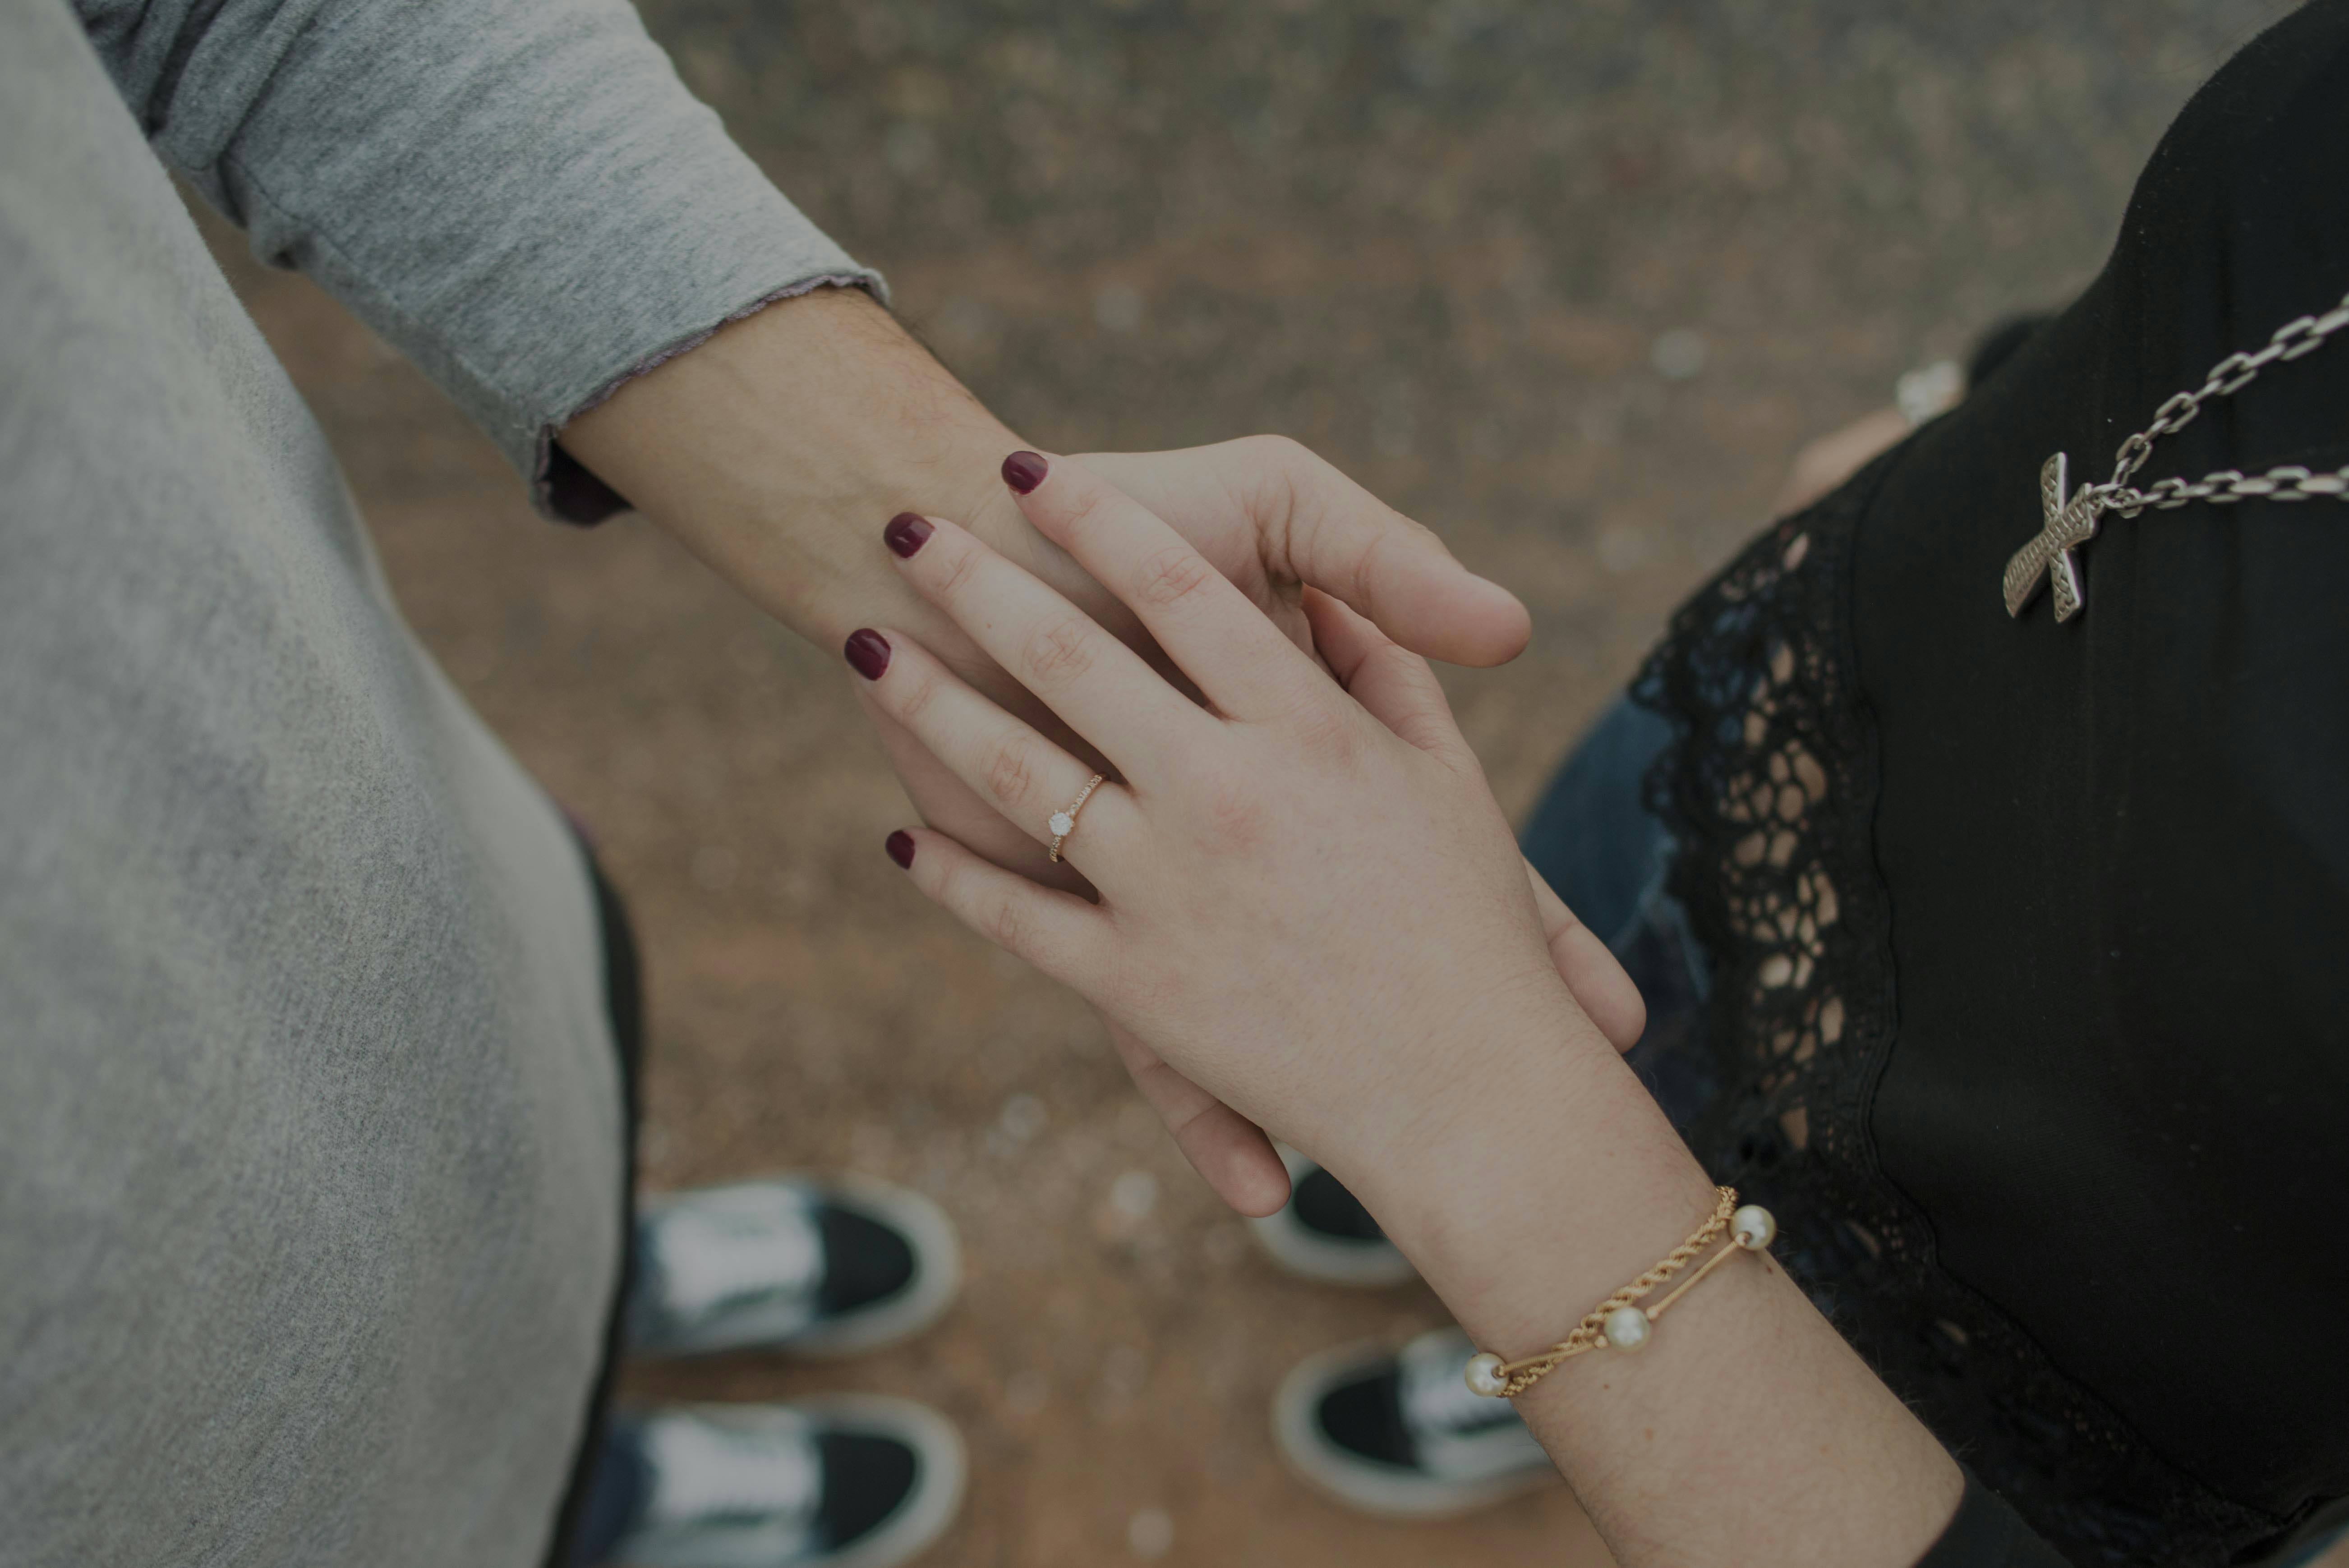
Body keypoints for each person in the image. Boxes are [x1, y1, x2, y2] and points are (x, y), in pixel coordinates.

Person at [1, 0, 1636, 1563]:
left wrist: (939, 547)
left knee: (487, 1198)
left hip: (349, 905)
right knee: (425, 1494)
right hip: (160, 1489)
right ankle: (575, 1504)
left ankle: (572, 1302)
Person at [856, 4, 2349, 1563]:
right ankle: (1428, 1190)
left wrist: (1470, 1118)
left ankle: (1539, 1336)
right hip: (1797, 720)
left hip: (2045, 1288)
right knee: (1591, 925)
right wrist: (1985, 393)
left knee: (1744, 1286)